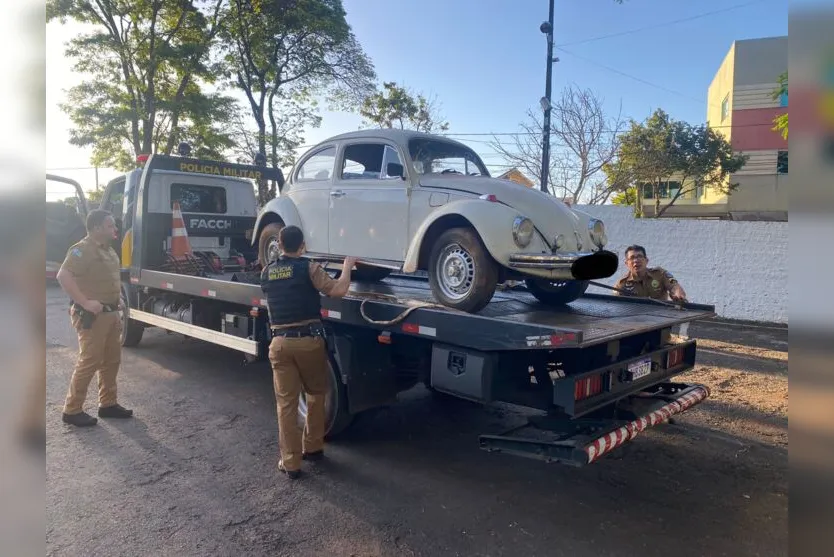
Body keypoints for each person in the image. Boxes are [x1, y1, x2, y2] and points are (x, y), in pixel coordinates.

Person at [260, 225, 357, 480]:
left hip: (279, 344)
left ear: (279, 245)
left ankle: (290, 463)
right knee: (316, 394)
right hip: (309, 342)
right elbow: (338, 290)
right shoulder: (310, 268)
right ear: (302, 245)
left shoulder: (267, 272)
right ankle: (313, 447)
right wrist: (347, 267)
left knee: (286, 405)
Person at [57, 209, 133, 427]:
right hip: (92, 316)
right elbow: (64, 276)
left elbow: (110, 277)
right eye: (110, 225)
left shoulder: (109, 250)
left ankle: (108, 404)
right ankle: (71, 410)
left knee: (111, 361)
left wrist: (117, 297)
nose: (115, 229)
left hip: (110, 314)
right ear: (97, 227)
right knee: (89, 361)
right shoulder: (82, 249)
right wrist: (85, 302)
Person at [613, 245, 687, 302]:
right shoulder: (621, 284)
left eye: (640, 256)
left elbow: (674, 285)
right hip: (635, 319)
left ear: (646, 260)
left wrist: (678, 294)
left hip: (662, 317)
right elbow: (617, 305)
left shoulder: (661, 273)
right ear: (626, 263)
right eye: (632, 258)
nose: (636, 260)